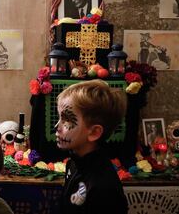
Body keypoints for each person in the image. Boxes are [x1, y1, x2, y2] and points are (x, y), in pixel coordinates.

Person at [55, 79, 128, 214]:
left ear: (94, 132)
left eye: (67, 120)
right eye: (59, 118)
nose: (57, 126)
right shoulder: (73, 163)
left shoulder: (103, 187)